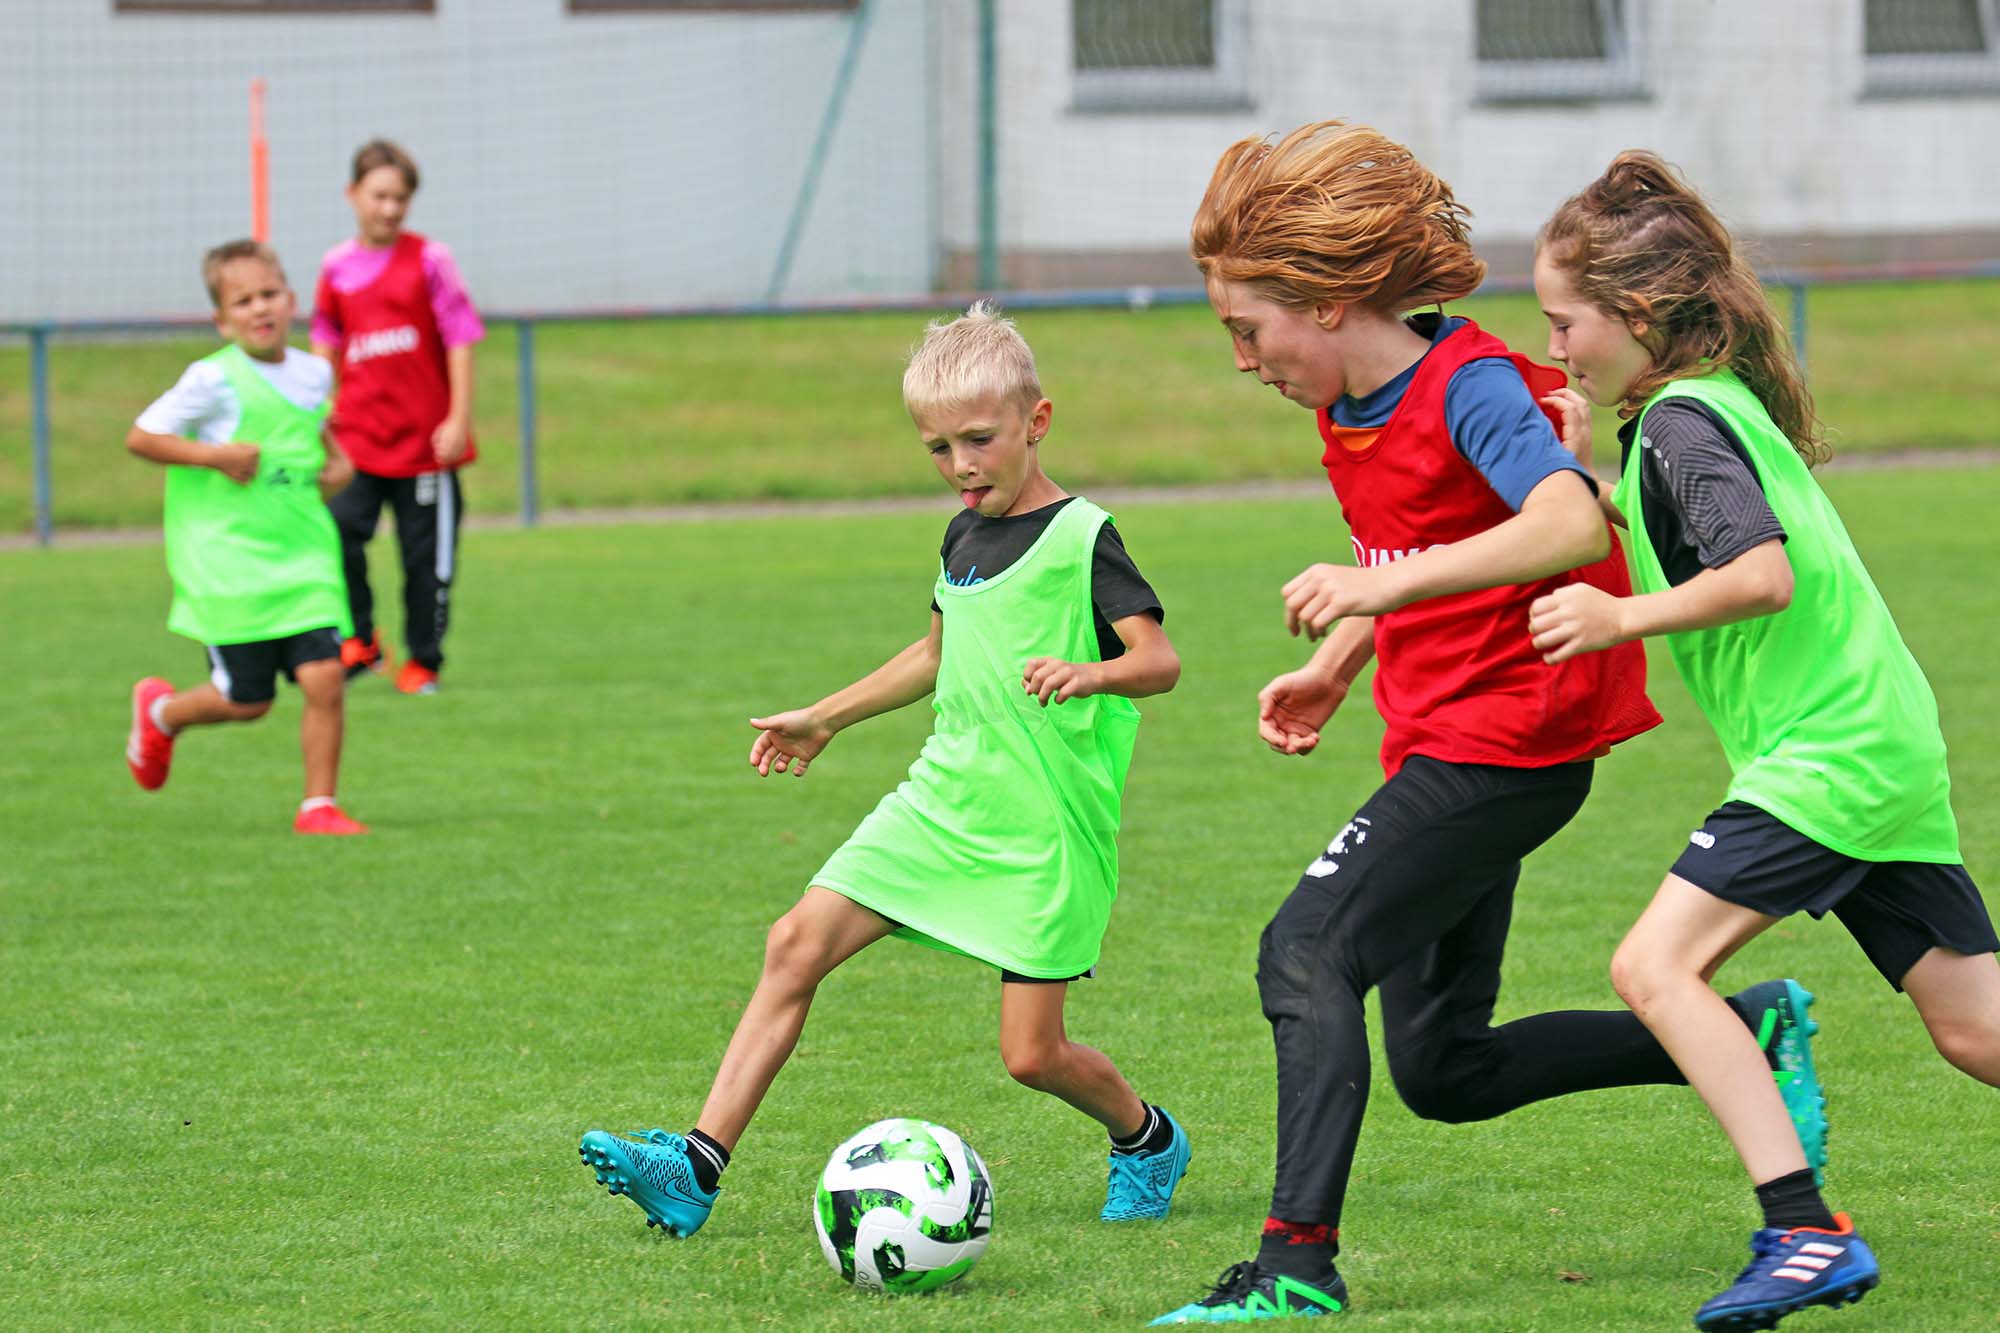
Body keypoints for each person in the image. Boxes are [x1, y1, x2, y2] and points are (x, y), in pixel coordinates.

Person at [1151, 122, 1820, 1325]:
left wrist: (1372, 592)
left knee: (1303, 951)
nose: (1241, 359)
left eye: (1246, 330)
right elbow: (1420, 551)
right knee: (1444, 1071)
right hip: (1443, 736)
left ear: (1327, 297)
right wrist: (1343, 659)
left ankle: (1293, 1267)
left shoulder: (1469, 384)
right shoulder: (1348, 400)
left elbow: (1568, 523)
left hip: (1508, 744)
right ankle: (1745, 1029)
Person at [578, 302, 1192, 1239]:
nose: (962, 467)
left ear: (1038, 421)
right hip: (942, 800)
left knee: (1030, 1055)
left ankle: (1147, 1139)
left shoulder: (1084, 538)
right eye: (939, 449)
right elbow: (937, 655)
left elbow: (1161, 661)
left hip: (1043, 827)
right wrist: (824, 715)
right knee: (795, 942)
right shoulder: (960, 537)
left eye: (979, 440)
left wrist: (1092, 671)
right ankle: (693, 1166)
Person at [1528, 150, 2000, 1331]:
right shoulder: (1684, 416)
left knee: (1650, 968)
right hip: (1870, 745)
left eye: (1562, 322)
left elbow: (1757, 573)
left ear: (1634, 314)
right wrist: (1587, 457)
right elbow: (1668, 530)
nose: (1552, 346)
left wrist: (1616, 616)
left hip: (1829, 751)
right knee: (1972, 1028)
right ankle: (1798, 1229)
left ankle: (1799, 1229)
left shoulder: (1685, 425)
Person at [123, 239, 367, 837]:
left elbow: (318, 447)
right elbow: (142, 438)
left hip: (304, 557)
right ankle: (161, 713)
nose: (260, 309)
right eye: (243, 301)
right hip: (231, 565)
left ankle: (319, 807)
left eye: (269, 295)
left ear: (291, 300)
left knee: (325, 677)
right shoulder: (211, 380)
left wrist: (340, 468)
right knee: (247, 702)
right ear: (222, 318)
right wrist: (215, 456)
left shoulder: (313, 374)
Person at [312, 137, 485, 696]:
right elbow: (325, 343)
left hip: (424, 444)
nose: (389, 208)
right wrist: (317, 416)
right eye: (379, 195)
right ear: (353, 194)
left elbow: (460, 338)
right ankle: (360, 642)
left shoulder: (431, 260)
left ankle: (423, 663)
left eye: (400, 198)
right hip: (358, 438)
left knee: (425, 561)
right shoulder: (336, 267)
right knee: (335, 531)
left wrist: (457, 418)